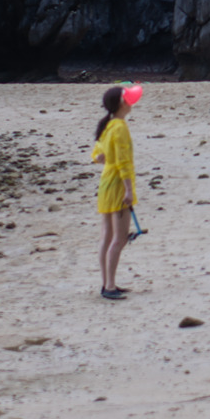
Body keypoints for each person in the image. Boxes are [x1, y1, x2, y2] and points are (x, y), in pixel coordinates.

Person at [90, 84, 143, 299]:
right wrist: (129, 190)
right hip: (117, 184)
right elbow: (124, 162)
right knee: (119, 239)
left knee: (107, 236)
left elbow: (96, 153)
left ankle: (107, 283)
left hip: (105, 184)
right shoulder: (119, 127)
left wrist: (99, 158)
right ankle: (109, 286)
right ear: (122, 103)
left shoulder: (108, 125)